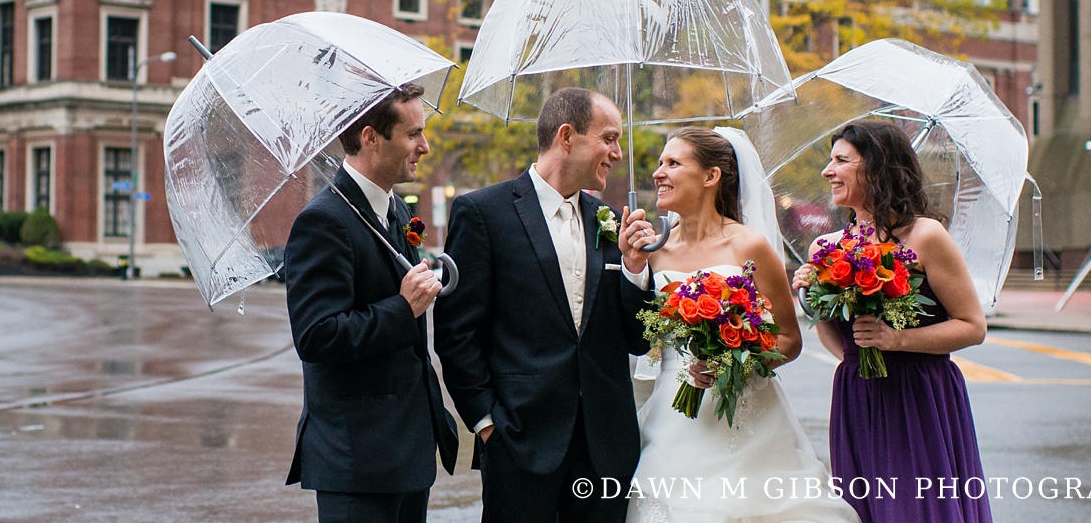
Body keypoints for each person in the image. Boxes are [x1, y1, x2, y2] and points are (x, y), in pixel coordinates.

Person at [434, 87, 656, 523]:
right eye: (608, 139)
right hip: (517, 441)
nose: (617, 153)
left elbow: (638, 338)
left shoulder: (607, 221)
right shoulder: (482, 213)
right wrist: (485, 423)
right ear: (567, 136)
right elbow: (456, 332)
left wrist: (634, 269)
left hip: (605, 447)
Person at [626, 127, 857, 523]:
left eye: (673, 163)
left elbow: (788, 339)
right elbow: (638, 334)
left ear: (711, 176)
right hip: (673, 416)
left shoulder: (750, 246)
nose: (658, 173)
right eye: (660, 163)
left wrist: (731, 362)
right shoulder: (654, 249)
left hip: (745, 419)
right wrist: (632, 267)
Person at [792, 120, 992, 523]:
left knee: (915, 508)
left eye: (841, 161)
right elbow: (835, 335)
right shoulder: (825, 247)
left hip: (919, 394)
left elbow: (972, 326)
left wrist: (894, 339)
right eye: (829, 161)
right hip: (857, 394)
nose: (827, 171)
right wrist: (808, 295)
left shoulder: (926, 236)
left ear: (876, 168)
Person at [283, 83, 459, 523]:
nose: (425, 145)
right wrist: (403, 308)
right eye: (413, 133)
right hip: (356, 460)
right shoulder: (323, 221)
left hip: (408, 453)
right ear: (370, 137)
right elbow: (317, 335)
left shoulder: (396, 211)